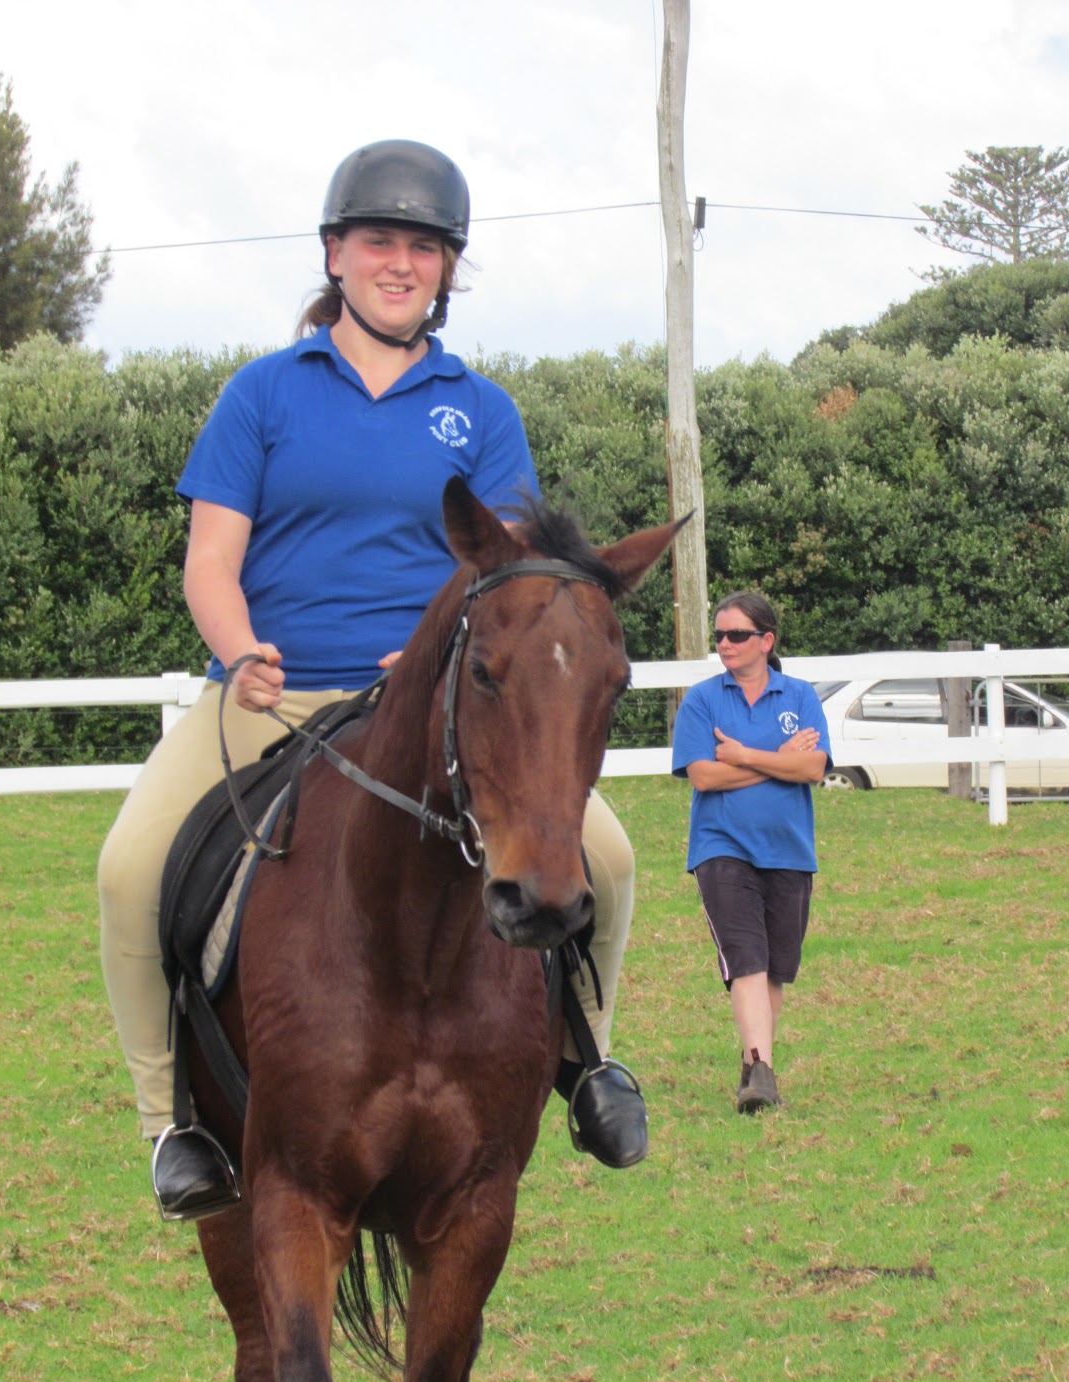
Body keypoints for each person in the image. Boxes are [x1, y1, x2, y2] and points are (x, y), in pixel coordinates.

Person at [97, 140, 647, 1221]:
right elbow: (211, 557)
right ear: (336, 255)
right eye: (380, 241)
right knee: (127, 869)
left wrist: (438, 655)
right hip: (273, 695)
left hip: (430, 700)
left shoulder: (479, 408)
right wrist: (240, 644)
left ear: (447, 269)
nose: (401, 263)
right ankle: (174, 1126)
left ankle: (587, 1064)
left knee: (611, 857)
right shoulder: (262, 394)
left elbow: (509, 568)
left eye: (425, 248)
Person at [670, 592, 832, 1112]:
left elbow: (812, 768)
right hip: (722, 848)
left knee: (776, 968)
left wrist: (742, 755)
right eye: (719, 635)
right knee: (747, 960)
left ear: (766, 641)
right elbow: (703, 775)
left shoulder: (801, 696)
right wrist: (773, 761)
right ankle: (763, 1071)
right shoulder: (701, 700)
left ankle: (753, 1066)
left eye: (736, 635)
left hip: (789, 850)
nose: (725, 644)